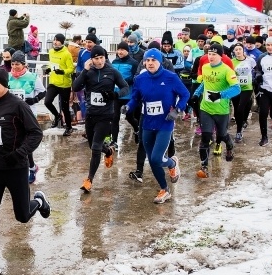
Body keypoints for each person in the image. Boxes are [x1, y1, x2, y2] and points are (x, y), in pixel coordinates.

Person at [0, 68, 50, 275]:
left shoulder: (18, 105)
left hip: (15, 168)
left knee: (22, 216)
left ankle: (38, 201)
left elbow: (36, 133)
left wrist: (19, 153)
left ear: (3, 84)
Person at [126, 48, 189, 203]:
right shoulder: (140, 79)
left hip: (165, 123)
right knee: (151, 159)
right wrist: (128, 106)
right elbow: (135, 98)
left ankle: (172, 163)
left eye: (153, 60)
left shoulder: (170, 77)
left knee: (156, 158)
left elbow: (185, 94)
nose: (150, 63)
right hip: (147, 122)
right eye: (147, 60)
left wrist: (177, 110)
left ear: (160, 61)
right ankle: (164, 189)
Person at [71, 45, 129, 193]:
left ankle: (89, 180)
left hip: (106, 115)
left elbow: (125, 87)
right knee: (93, 146)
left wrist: (115, 95)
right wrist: (84, 70)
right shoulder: (88, 72)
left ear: (105, 57)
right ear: (91, 59)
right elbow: (75, 87)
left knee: (96, 148)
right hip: (91, 115)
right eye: (96, 58)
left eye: (102, 57)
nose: (99, 61)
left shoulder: (112, 71)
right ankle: (108, 151)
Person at [192, 43, 241, 178]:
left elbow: (237, 89)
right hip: (206, 108)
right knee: (205, 137)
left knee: (222, 135)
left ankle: (229, 146)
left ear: (221, 56)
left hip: (221, 110)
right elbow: (205, 83)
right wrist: (196, 94)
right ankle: (204, 167)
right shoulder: (205, 67)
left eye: (214, 54)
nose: (211, 56)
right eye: (209, 54)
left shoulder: (227, 70)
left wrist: (220, 95)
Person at [7, 51, 46, 184]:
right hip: (12, 114)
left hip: (28, 114)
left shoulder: (32, 77)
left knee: (25, 142)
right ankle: (18, 167)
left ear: (24, 64)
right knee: (14, 140)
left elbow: (43, 92)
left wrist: (34, 100)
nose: (14, 67)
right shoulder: (8, 77)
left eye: (17, 64)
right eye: (12, 64)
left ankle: (31, 168)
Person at [43, 33, 75, 136]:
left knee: (65, 107)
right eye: (54, 40)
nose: (55, 42)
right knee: (47, 102)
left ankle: (69, 127)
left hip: (64, 84)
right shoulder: (51, 51)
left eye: (57, 40)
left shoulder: (66, 54)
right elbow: (51, 64)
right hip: (53, 82)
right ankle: (57, 116)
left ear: (62, 42)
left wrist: (63, 72)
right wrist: (48, 69)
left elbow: (71, 68)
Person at [110, 42, 139, 148]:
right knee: (115, 118)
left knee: (129, 117)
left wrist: (122, 81)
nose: (120, 52)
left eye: (122, 50)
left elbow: (135, 77)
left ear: (127, 51)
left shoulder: (133, 63)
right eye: (119, 49)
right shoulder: (114, 62)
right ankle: (114, 141)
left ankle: (137, 129)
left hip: (128, 95)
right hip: (116, 95)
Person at [230, 43, 256, 142]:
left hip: (247, 88)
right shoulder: (231, 62)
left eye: (240, 49)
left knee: (241, 108)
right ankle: (241, 123)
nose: (238, 51)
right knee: (236, 109)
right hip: (235, 88)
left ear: (243, 50)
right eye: (236, 50)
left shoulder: (250, 60)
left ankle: (239, 131)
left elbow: (256, 70)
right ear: (234, 51)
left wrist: (255, 79)